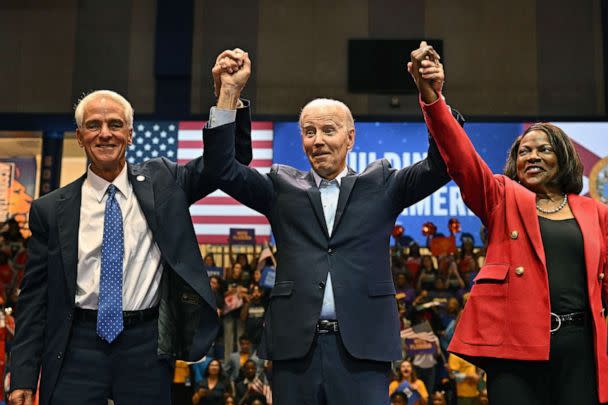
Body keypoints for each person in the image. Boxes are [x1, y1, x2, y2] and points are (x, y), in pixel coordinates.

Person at [203, 48, 464, 404]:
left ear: (350, 138)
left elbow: (443, 164)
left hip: (363, 349)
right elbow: (222, 169)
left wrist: (432, 96)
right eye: (309, 132)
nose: (318, 140)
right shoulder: (280, 187)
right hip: (295, 351)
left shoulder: (382, 184)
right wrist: (228, 94)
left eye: (328, 130)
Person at [8, 81, 253, 405]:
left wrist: (228, 95)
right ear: (80, 137)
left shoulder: (164, 183)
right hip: (75, 347)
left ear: (131, 134)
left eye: (115, 124)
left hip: (146, 346)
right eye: (93, 125)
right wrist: (23, 375)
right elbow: (34, 301)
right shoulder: (50, 210)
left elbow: (223, 163)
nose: (105, 133)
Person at [409, 41, 608, 404]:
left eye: (543, 149)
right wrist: (434, 101)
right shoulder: (502, 198)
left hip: (580, 349)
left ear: (563, 158)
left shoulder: (596, 212)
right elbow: (462, 159)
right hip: (515, 347)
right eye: (523, 151)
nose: (531, 156)